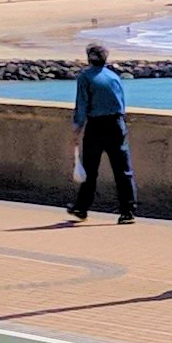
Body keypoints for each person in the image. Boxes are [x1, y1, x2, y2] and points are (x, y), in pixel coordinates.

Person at [64, 43, 134, 224]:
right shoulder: (114, 77)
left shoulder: (85, 77)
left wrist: (77, 127)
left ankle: (82, 207)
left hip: (97, 126)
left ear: (89, 58)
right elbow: (121, 103)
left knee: (90, 169)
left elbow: (82, 104)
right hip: (117, 124)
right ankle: (128, 211)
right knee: (123, 170)